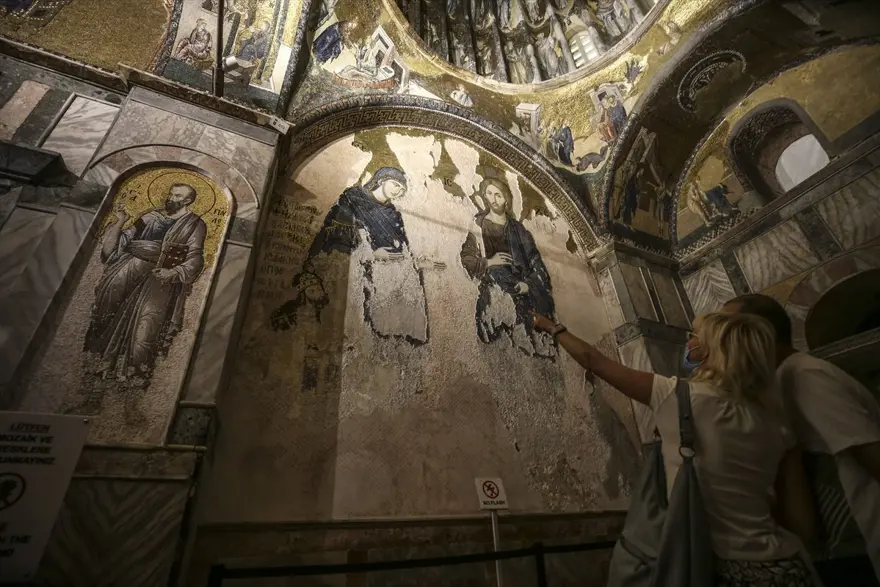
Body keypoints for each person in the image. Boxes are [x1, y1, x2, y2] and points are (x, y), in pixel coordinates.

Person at [532, 310, 821, 585]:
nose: (689, 343)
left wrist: (551, 327)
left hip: (711, 564)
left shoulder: (678, 397)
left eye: (695, 336)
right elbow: (802, 522)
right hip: (785, 565)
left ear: (711, 350)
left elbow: (594, 361)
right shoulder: (776, 422)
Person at [725, 294, 880, 584]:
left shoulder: (806, 376)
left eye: (731, 330)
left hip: (858, 544)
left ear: (762, 334)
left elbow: (869, 451)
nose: (725, 341)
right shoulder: (782, 380)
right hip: (833, 549)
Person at [271, 167, 444, 342]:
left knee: (406, 312)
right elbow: (335, 239)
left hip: (394, 276)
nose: (397, 190)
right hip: (360, 270)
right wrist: (371, 254)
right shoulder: (352, 199)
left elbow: (402, 250)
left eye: (401, 188)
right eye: (395, 184)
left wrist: (416, 262)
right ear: (381, 180)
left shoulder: (394, 214)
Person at [84, 183, 207, 387]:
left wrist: (174, 272)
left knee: (147, 329)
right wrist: (120, 221)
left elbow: (196, 257)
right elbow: (120, 242)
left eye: (176, 195)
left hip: (159, 281)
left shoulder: (194, 224)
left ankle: (131, 382)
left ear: (187, 201)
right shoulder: (150, 216)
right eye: (170, 192)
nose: (170, 197)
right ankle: (94, 373)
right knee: (106, 311)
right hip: (126, 270)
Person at [460, 178, 555, 357]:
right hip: (495, 281)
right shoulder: (477, 225)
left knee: (540, 302)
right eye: (489, 194)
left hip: (522, 281)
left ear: (507, 200)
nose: (493, 199)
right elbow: (467, 259)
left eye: (498, 195)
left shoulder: (518, 229)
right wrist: (489, 262)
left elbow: (534, 259)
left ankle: (538, 339)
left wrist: (530, 284)